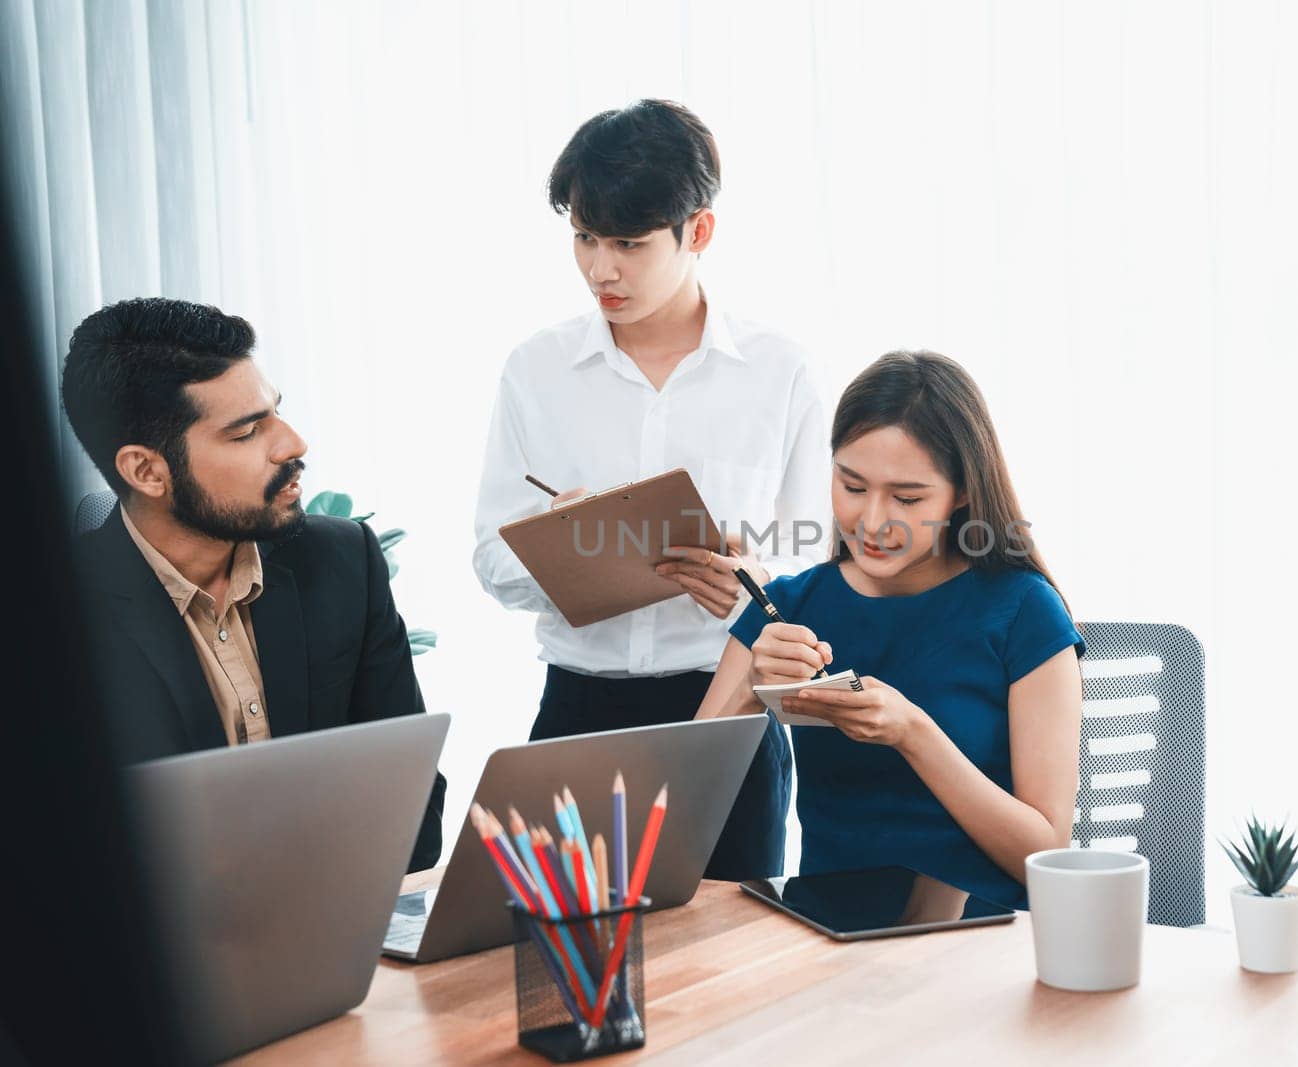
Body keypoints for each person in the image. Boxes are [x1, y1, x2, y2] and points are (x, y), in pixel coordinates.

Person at [472, 100, 831, 880]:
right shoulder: (536, 370)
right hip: (577, 715)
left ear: (697, 231)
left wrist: (753, 576)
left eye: (629, 244)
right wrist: (559, 545)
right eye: (584, 237)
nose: (602, 268)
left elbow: (821, 558)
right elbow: (489, 560)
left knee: (732, 973)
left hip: (729, 709)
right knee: (562, 969)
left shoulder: (780, 373)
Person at [62, 297, 445, 872]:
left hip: (346, 925)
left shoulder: (343, 562)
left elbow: (416, 816)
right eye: (246, 433)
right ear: (146, 471)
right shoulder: (54, 624)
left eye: (276, 413)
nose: (292, 444)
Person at [695, 351, 1084, 908]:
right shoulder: (785, 607)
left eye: (906, 498)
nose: (872, 522)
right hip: (831, 942)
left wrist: (913, 734)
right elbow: (675, 822)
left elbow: (1044, 856)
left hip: (984, 948)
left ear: (964, 492)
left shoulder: (1024, 611)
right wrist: (747, 693)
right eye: (852, 486)